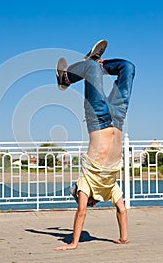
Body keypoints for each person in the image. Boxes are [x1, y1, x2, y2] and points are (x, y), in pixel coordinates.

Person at [54, 39, 135, 250]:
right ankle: (95, 63)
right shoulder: (110, 189)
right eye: (89, 202)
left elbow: (80, 213)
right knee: (128, 67)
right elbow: (122, 210)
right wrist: (123, 238)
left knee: (90, 68)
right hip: (118, 117)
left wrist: (73, 242)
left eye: (86, 201)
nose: (88, 203)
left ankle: (66, 77)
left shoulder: (85, 184)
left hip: (98, 119)